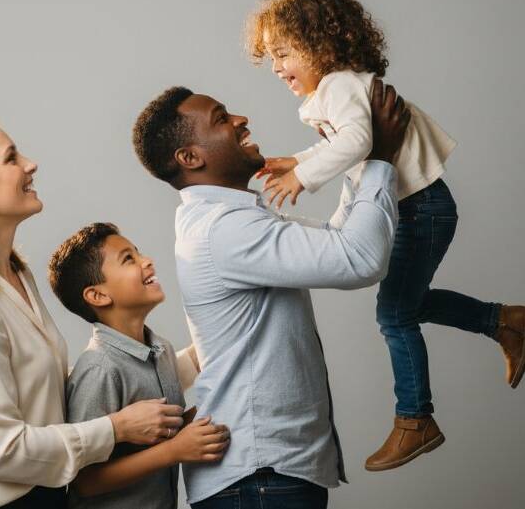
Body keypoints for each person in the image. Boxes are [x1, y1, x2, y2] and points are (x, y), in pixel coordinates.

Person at [246, 0, 525, 470]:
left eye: (283, 53)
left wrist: (303, 176)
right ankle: (503, 320)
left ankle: (415, 419)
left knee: (394, 314)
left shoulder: (338, 87)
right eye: (270, 57)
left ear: (321, 45)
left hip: (419, 207)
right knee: (408, 305)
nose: (276, 67)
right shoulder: (341, 88)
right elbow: (351, 148)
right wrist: (295, 159)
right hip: (419, 205)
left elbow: (357, 143)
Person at [0, 111, 188, 508]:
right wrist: (115, 429)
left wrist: (179, 366)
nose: (31, 164)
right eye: (11, 158)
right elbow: (2, 452)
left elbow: (44, 396)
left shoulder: (14, 276)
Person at [132, 79, 406, 508]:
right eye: (221, 119)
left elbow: (339, 240)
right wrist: (381, 159)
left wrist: (357, 157)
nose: (241, 120)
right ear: (189, 157)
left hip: (267, 475)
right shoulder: (223, 230)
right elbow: (360, 259)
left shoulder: (235, 221)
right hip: (259, 478)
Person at [48, 222, 230, 509]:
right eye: (128, 259)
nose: (147, 261)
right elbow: (86, 480)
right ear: (98, 295)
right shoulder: (99, 368)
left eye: (138, 252)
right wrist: (175, 450)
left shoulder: (162, 351)